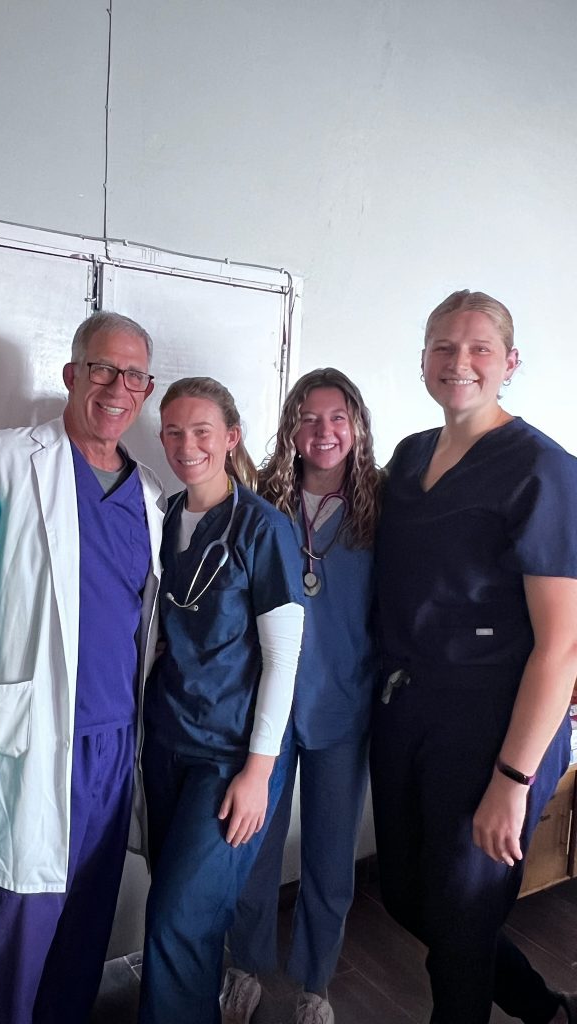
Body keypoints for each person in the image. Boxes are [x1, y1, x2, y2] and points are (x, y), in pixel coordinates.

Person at [0, 310, 163, 1024]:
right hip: (30, 738)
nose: (116, 386)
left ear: (146, 389)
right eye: (102, 368)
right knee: (15, 941)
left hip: (111, 747)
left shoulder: (153, 502)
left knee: (82, 939)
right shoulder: (3, 459)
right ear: (73, 375)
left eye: (132, 374)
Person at [370, 289, 577, 1024]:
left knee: (460, 926)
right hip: (408, 709)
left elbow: (562, 646)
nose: (460, 362)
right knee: (405, 894)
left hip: (494, 724)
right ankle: (541, 1007)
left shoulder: (544, 471)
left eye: (479, 348)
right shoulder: (411, 455)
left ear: (509, 362)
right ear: (424, 358)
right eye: (444, 347)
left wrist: (514, 781)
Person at [137, 376, 305, 1024]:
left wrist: (259, 772)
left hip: (231, 754)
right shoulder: (167, 516)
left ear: (231, 437)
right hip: (169, 739)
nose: (187, 445)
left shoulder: (263, 530)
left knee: (179, 920)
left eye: (202, 431)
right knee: (184, 916)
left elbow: (283, 658)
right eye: (174, 432)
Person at [222, 368, 380, 1024]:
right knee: (251, 847)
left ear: (358, 428)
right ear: (290, 429)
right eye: (309, 419)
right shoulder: (262, 505)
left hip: (343, 703)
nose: (324, 432)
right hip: (270, 709)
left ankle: (315, 983)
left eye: (338, 418)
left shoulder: (383, 510)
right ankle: (244, 966)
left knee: (329, 854)